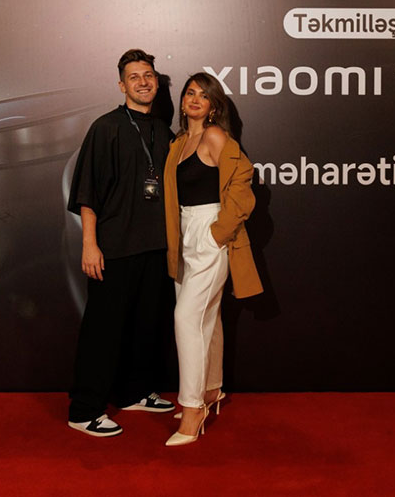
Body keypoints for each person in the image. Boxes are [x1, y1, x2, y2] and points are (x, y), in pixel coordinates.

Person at [65, 49, 176, 437]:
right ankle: (84, 410)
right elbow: (88, 193)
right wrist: (89, 245)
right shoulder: (106, 127)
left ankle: (134, 392)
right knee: (103, 331)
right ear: (121, 85)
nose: (143, 82)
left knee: (145, 327)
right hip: (113, 248)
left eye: (148, 75)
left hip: (154, 247)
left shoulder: (163, 130)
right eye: (134, 77)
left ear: (156, 82)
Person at [162, 72, 263, 446]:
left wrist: (217, 232)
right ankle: (210, 390)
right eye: (190, 93)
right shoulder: (179, 143)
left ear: (213, 106)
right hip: (183, 233)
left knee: (186, 317)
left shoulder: (215, 136)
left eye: (203, 95)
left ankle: (192, 409)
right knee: (206, 318)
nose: (194, 99)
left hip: (209, 231)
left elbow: (243, 181)